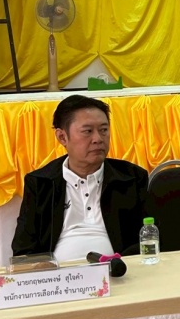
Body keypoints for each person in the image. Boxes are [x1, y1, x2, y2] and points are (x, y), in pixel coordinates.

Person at [12, 95, 150, 260]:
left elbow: (149, 238)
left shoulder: (132, 178)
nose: (98, 139)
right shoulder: (40, 183)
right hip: (59, 273)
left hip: (119, 269)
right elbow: (23, 249)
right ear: (62, 137)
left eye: (103, 130)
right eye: (87, 131)